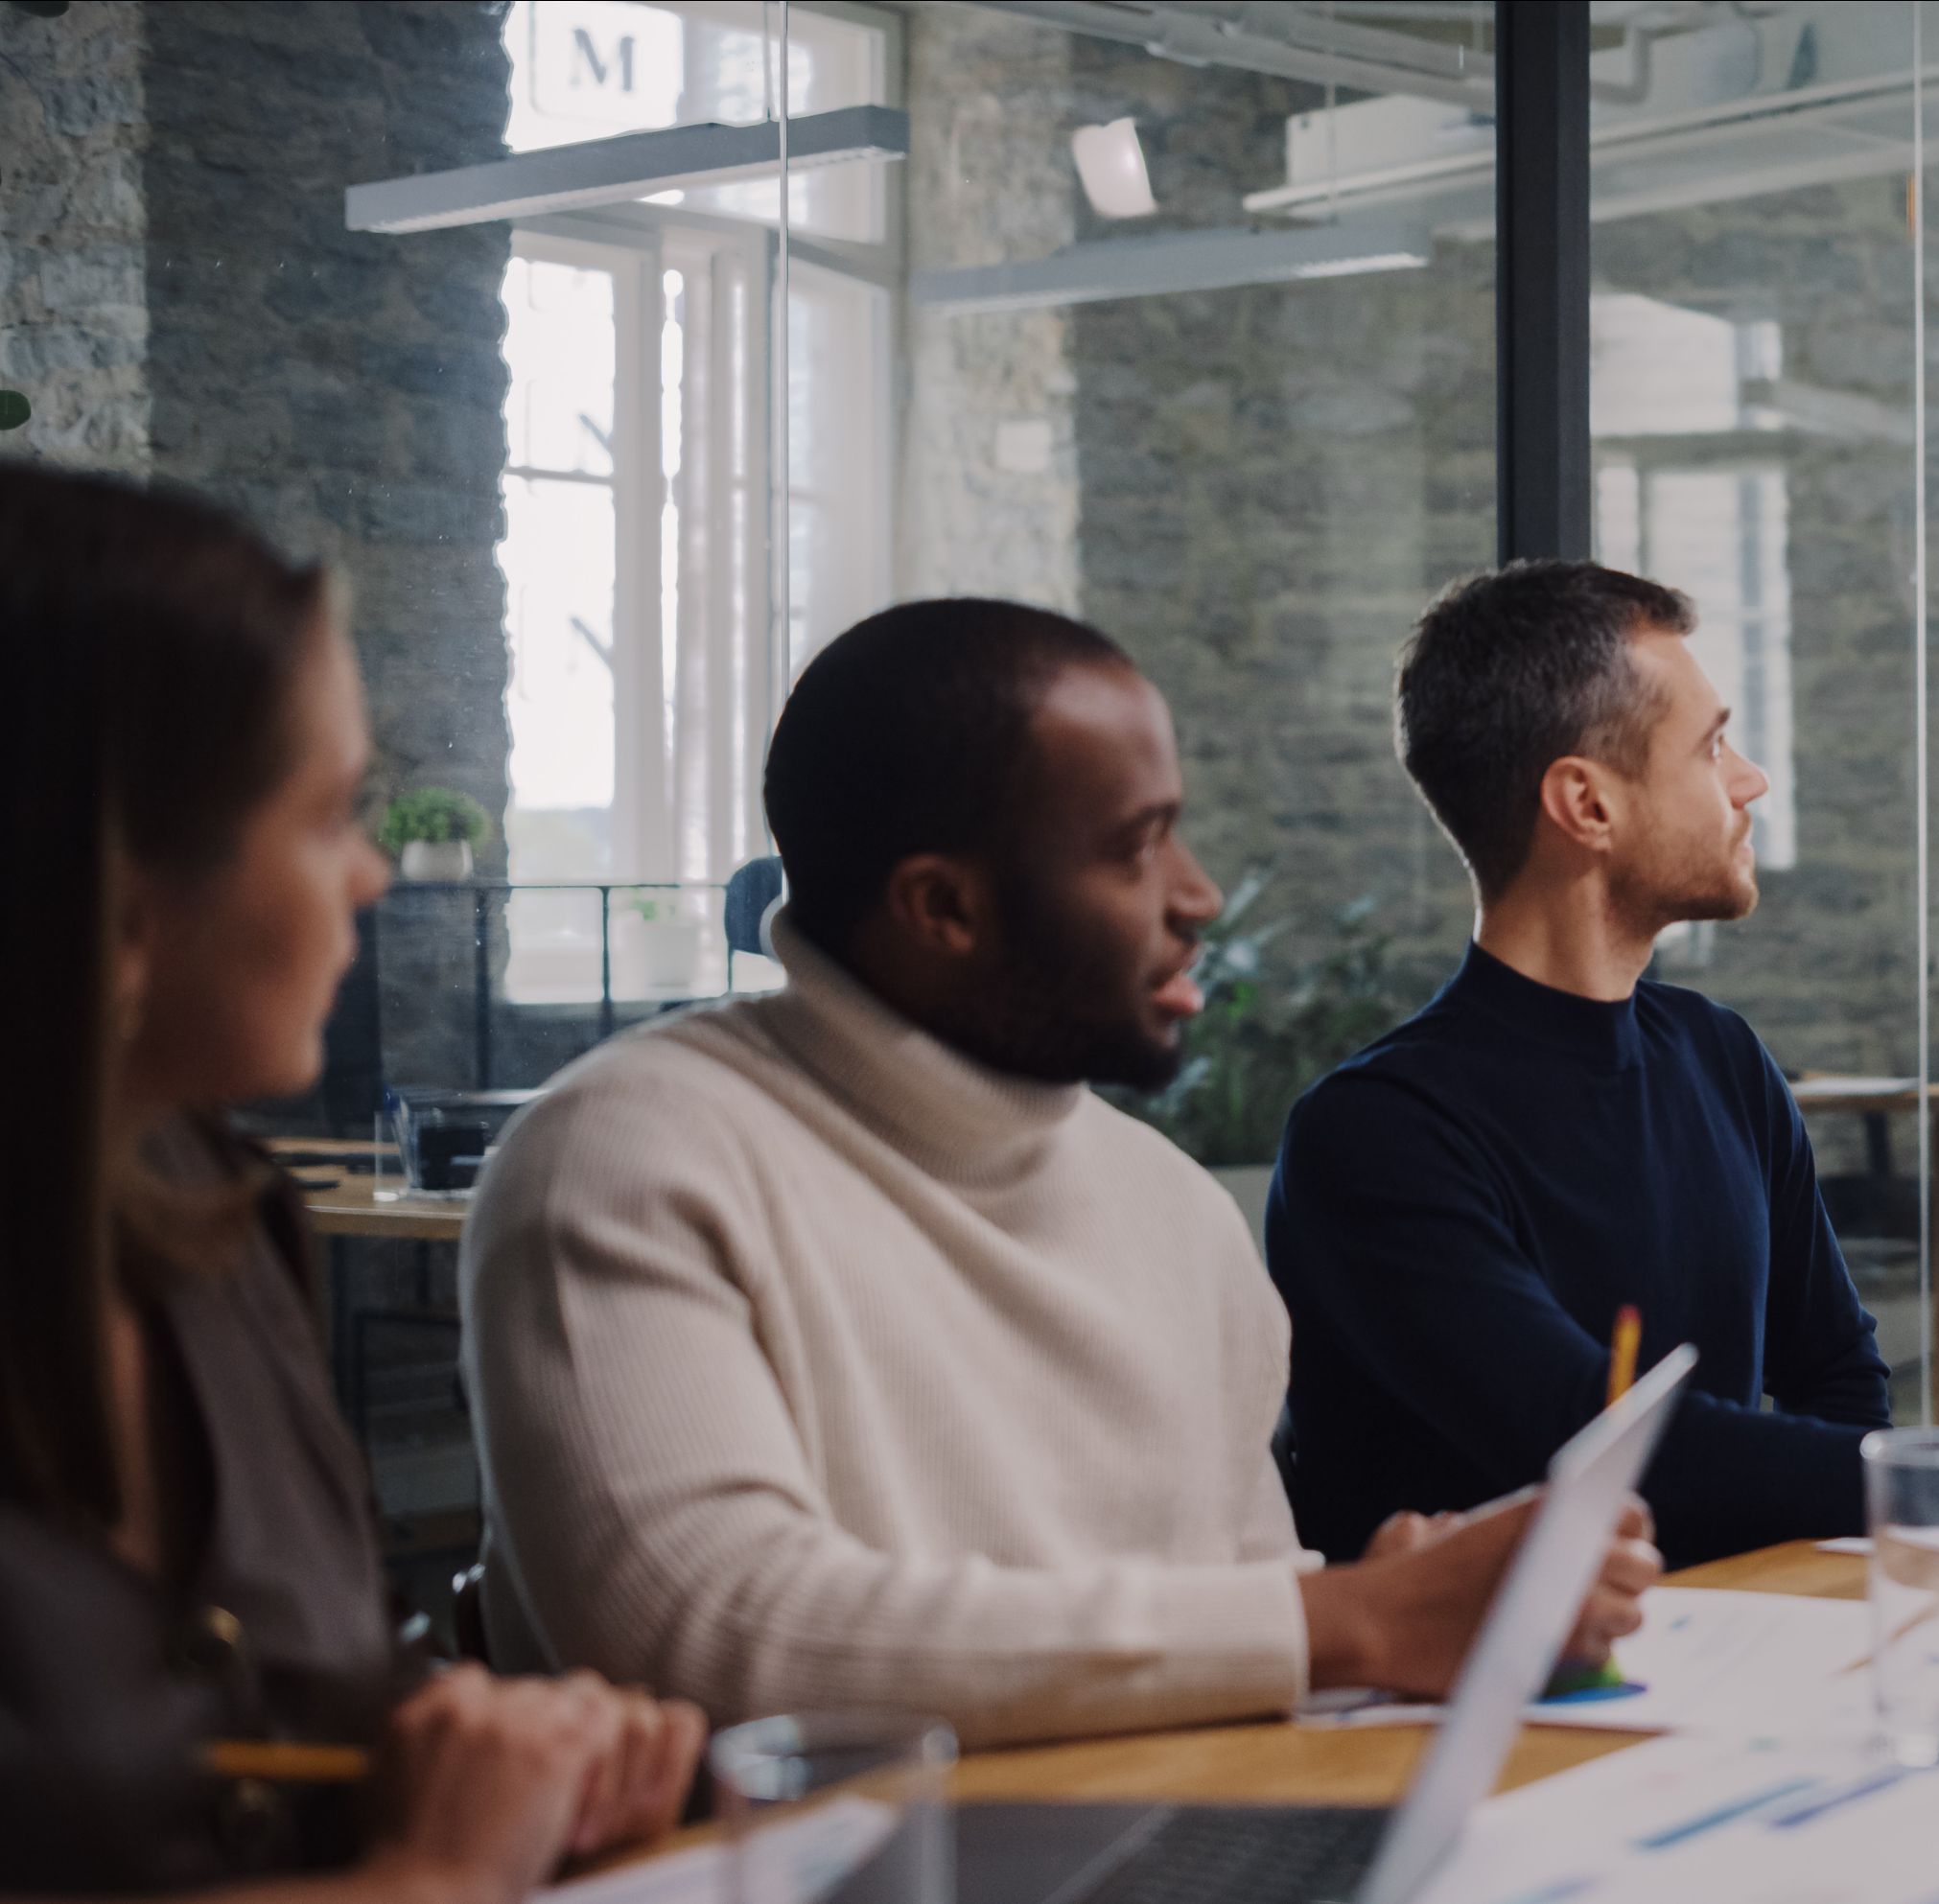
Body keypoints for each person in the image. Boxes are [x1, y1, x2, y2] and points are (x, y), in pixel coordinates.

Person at [462, 599, 1657, 1749]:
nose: (1195, 896)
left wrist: (1382, 1604)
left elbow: (1239, 1635)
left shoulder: (1173, 1208)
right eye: (1135, 849)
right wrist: (1349, 1618)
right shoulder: (628, 1156)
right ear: (943, 908)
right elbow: (709, 1631)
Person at [1264, 561, 1939, 1569]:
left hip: (1744, 1641)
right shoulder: (1376, 1139)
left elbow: (1843, 1390)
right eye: (1709, 747)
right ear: (1586, 804)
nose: (1747, 782)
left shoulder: (1720, 1057)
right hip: (1485, 1729)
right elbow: (1605, 1449)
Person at [0, 463, 703, 1896]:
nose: (376, 878)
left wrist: (499, 1748)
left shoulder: (225, 1220)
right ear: (121, 902)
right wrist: (425, 1878)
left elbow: (335, 1701)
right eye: (330, 816)